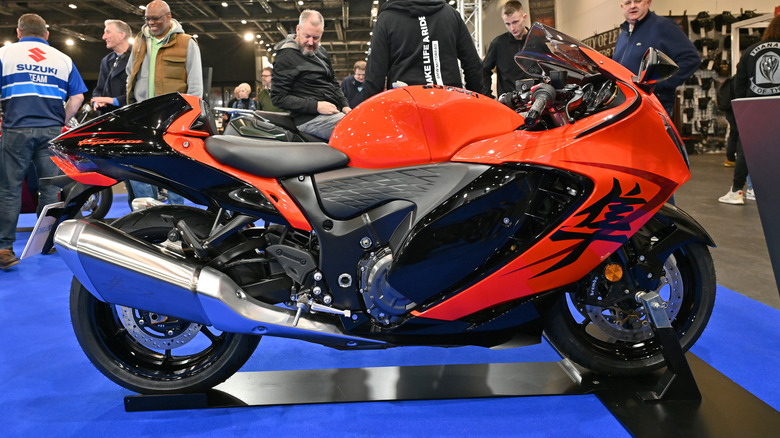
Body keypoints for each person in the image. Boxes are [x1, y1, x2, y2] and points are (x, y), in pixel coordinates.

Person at [0, 13, 87, 269]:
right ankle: (47, 241)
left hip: (16, 129)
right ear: (46, 35)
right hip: (51, 130)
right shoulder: (63, 59)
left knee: (9, 189)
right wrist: (62, 119)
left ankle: (5, 248)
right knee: (50, 188)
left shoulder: (5, 56)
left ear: (18, 32)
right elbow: (79, 96)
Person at [125, 0, 203, 204]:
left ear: (169, 17)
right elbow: (129, 75)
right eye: (147, 19)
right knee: (139, 168)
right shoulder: (139, 42)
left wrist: (190, 120)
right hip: (141, 116)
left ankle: (178, 216)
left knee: (175, 170)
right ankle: (148, 215)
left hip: (173, 118)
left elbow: (196, 86)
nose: (151, 22)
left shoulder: (187, 43)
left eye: (156, 18)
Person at [358, 0, 485, 104]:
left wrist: (368, 113)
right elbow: (473, 64)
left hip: (406, 104)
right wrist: (479, 101)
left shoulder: (387, 19)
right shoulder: (450, 14)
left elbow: (374, 74)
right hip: (448, 102)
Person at [718, 14, 780, 205]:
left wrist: (744, 107)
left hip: (755, 106)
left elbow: (740, 83)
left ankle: (737, 191)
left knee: (747, 150)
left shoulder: (751, 51)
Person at [271, 9, 350, 140]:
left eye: (316, 37)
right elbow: (278, 97)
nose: (311, 42)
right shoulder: (286, 56)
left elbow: (333, 82)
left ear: (322, 33)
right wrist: (316, 106)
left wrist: (344, 105)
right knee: (358, 131)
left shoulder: (322, 52)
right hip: (310, 119)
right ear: (297, 29)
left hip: (333, 112)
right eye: (307, 36)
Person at [613, 0, 699, 119]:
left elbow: (691, 59)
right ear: (622, 6)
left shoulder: (664, 27)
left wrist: (659, 84)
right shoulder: (624, 34)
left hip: (653, 105)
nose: (632, 6)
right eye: (628, 2)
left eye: (638, 1)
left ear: (648, 2)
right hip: (626, 105)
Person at [482, 1, 532, 98]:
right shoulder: (498, 43)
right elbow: (484, 71)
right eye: (507, 24)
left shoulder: (537, 41)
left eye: (515, 22)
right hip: (509, 104)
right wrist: (487, 97)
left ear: (524, 17)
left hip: (534, 102)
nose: (512, 28)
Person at [91, 20, 132, 115]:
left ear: (122, 35)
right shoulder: (106, 60)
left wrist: (113, 101)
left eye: (108, 32)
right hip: (107, 117)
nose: (103, 37)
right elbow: (99, 89)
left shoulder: (137, 58)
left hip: (128, 116)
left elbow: (140, 93)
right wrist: (98, 101)